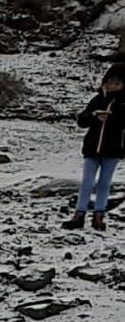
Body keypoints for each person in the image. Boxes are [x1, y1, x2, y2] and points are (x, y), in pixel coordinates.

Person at [63, 66, 125, 231]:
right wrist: (93, 116)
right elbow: (82, 121)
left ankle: (99, 215)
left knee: (104, 183)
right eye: (111, 82)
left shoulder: (123, 103)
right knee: (87, 182)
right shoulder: (97, 100)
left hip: (112, 150)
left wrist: (112, 119)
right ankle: (79, 213)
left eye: (118, 83)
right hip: (92, 149)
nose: (113, 86)